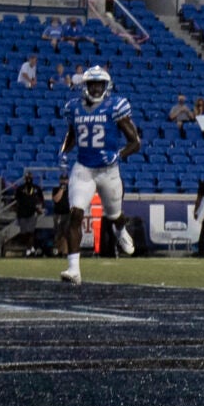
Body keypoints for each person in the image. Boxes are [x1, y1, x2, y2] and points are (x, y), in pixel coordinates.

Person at [58, 66, 143, 283]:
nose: (95, 88)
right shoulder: (74, 108)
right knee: (76, 213)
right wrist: (63, 152)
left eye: (99, 84)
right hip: (84, 168)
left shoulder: (115, 107)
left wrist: (118, 155)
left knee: (114, 215)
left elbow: (135, 142)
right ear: (85, 86)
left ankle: (121, 230)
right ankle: (74, 270)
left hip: (108, 171)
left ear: (106, 86)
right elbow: (73, 134)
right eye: (92, 84)